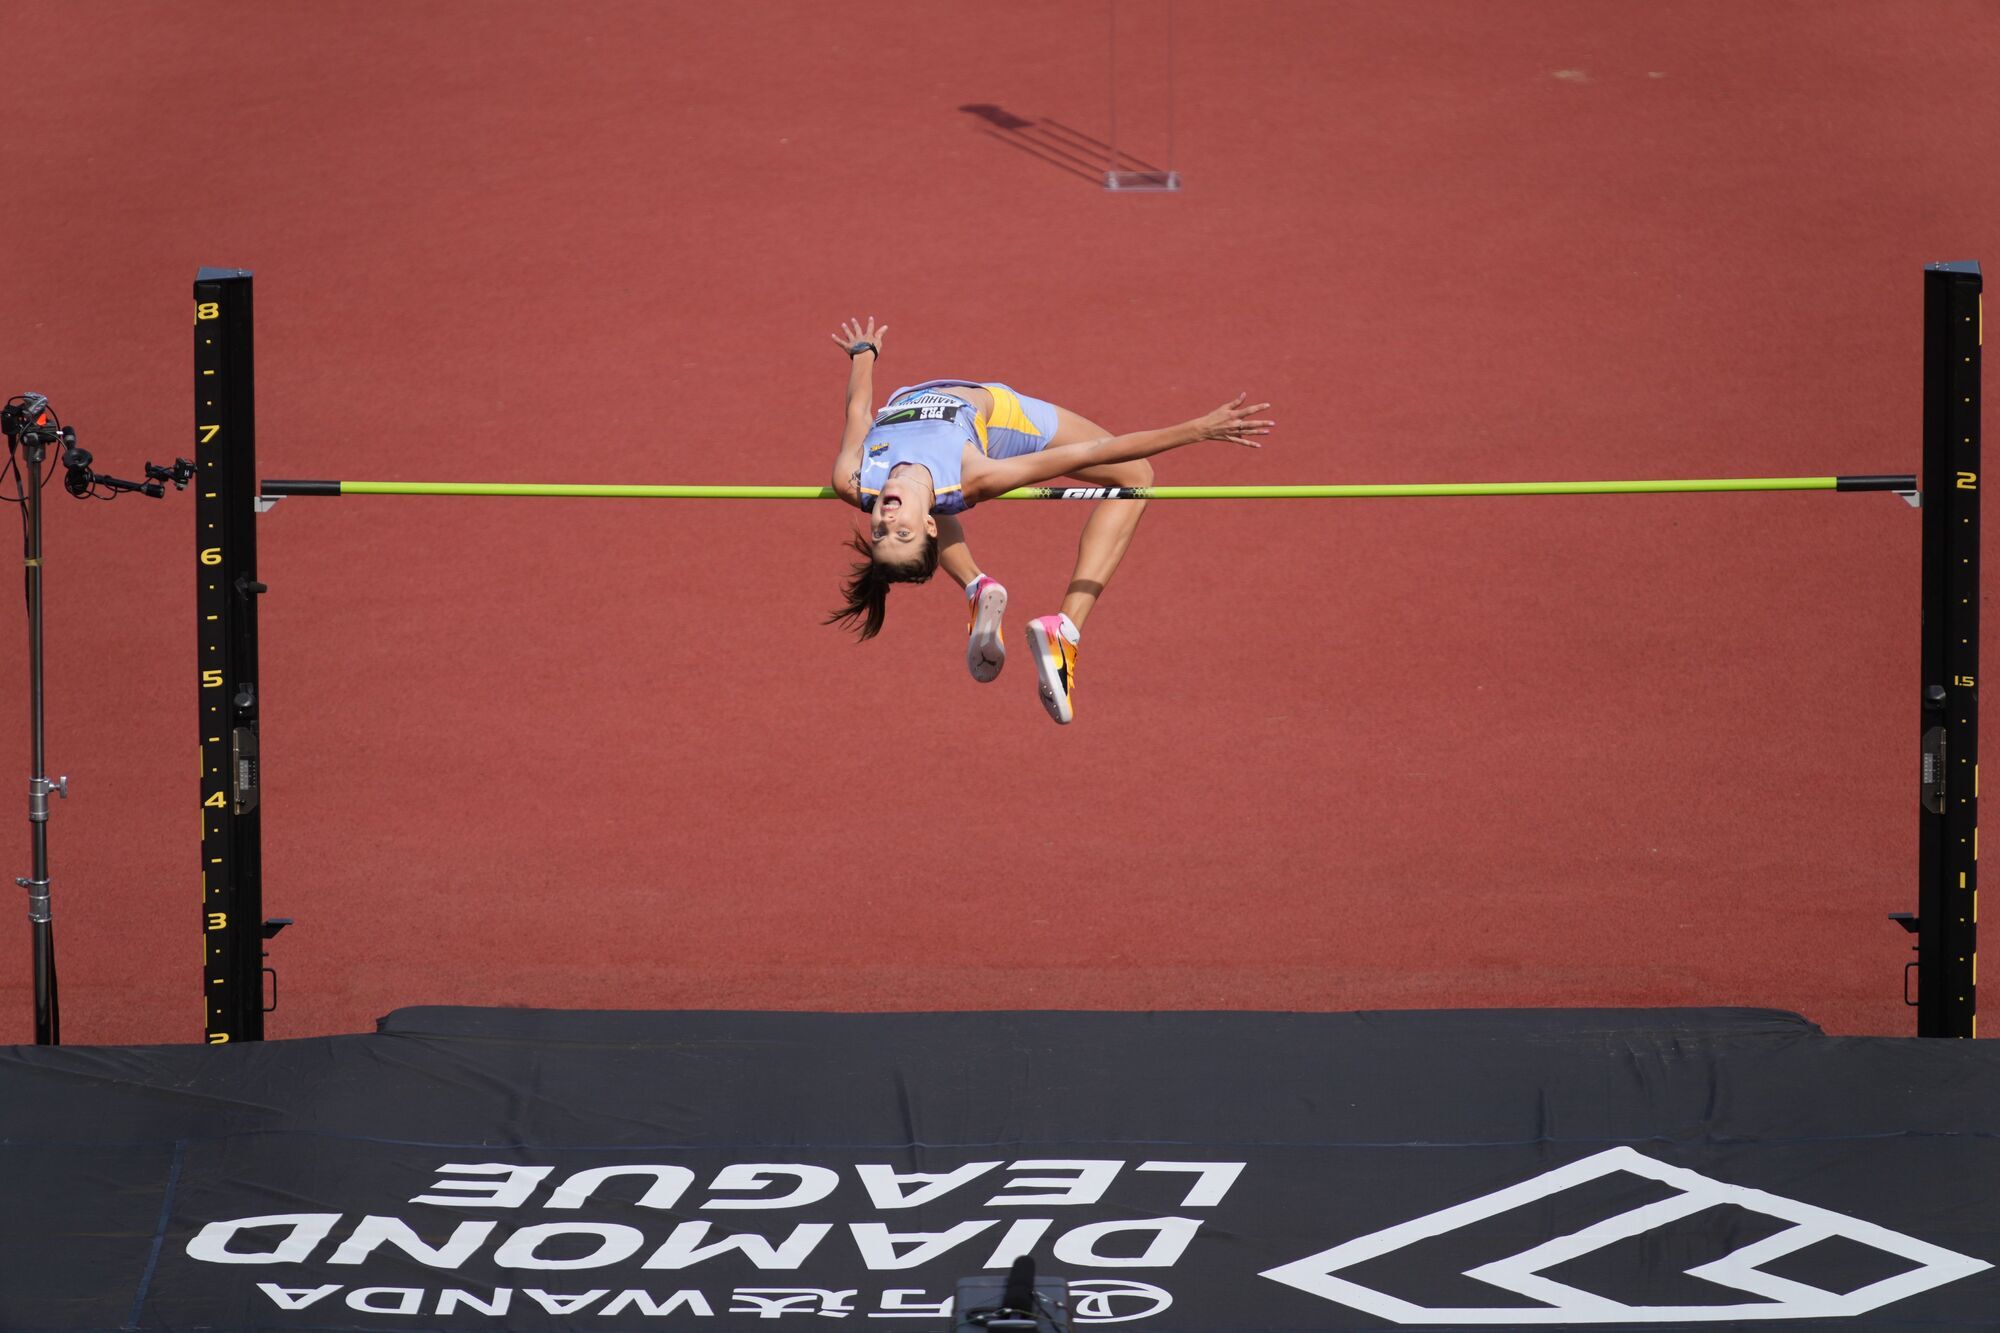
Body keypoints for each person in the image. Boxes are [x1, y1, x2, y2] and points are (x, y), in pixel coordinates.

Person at [824, 317, 1272, 724]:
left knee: (934, 495)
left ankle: (979, 587)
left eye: (881, 531)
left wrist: (864, 355)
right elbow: (1091, 453)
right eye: (901, 531)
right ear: (928, 528)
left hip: (918, 409)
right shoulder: (975, 474)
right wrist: (1196, 430)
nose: (887, 517)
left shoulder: (854, 480)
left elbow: (859, 414)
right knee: (1137, 477)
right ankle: (1066, 630)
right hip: (1001, 419)